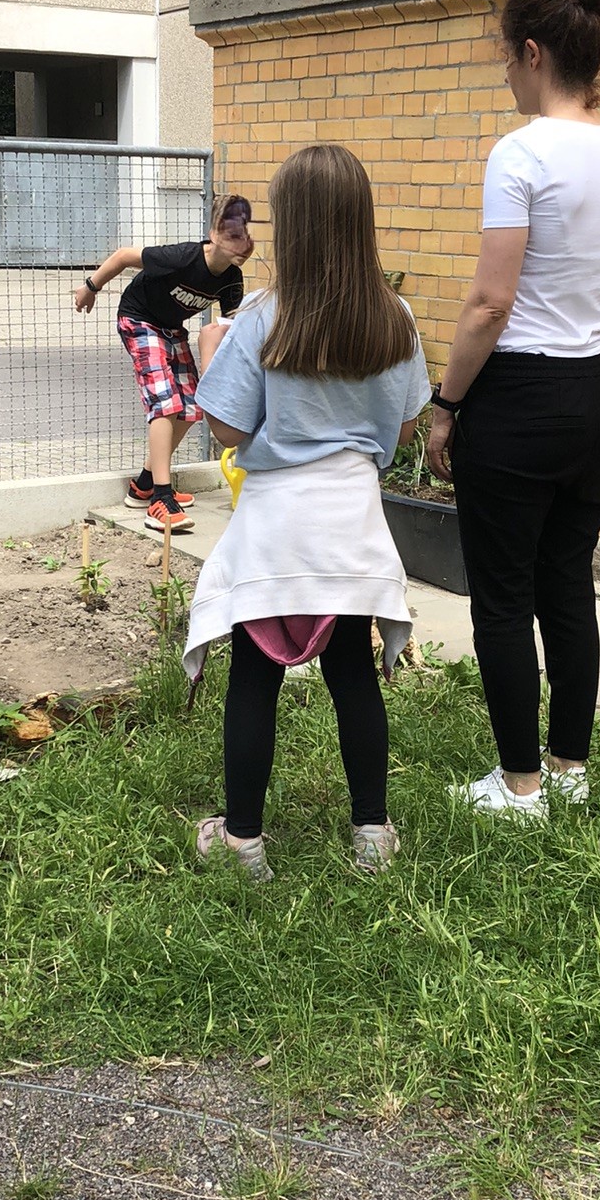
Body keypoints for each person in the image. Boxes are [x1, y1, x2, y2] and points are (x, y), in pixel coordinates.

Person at [427, 0, 600, 815]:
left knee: (502, 595)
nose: (506, 75)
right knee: (567, 581)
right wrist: (588, 364)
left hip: (516, 398)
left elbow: (490, 303)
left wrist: (446, 406)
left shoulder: (520, 153)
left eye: (506, 59)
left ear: (531, 53)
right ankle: (568, 769)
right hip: (592, 392)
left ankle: (519, 784)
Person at [182, 143, 431, 879]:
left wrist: (213, 359)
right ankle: (372, 834)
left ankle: (243, 843)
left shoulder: (262, 316)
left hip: (276, 526)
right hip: (352, 524)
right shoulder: (396, 318)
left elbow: (226, 428)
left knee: (254, 677)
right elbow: (404, 429)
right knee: (352, 674)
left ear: (290, 224)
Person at [74, 195, 254, 536]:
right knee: (165, 402)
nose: (243, 244)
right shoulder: (183, 258)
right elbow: (123, 256)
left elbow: (232, 329)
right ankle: (161, 498)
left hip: (170, 329)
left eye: (246, 234)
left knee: (192, 405)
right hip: (139, 319)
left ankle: (144, 485)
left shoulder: (232, 279)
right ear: (214, 235)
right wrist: (90, 287)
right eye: (233, 235)